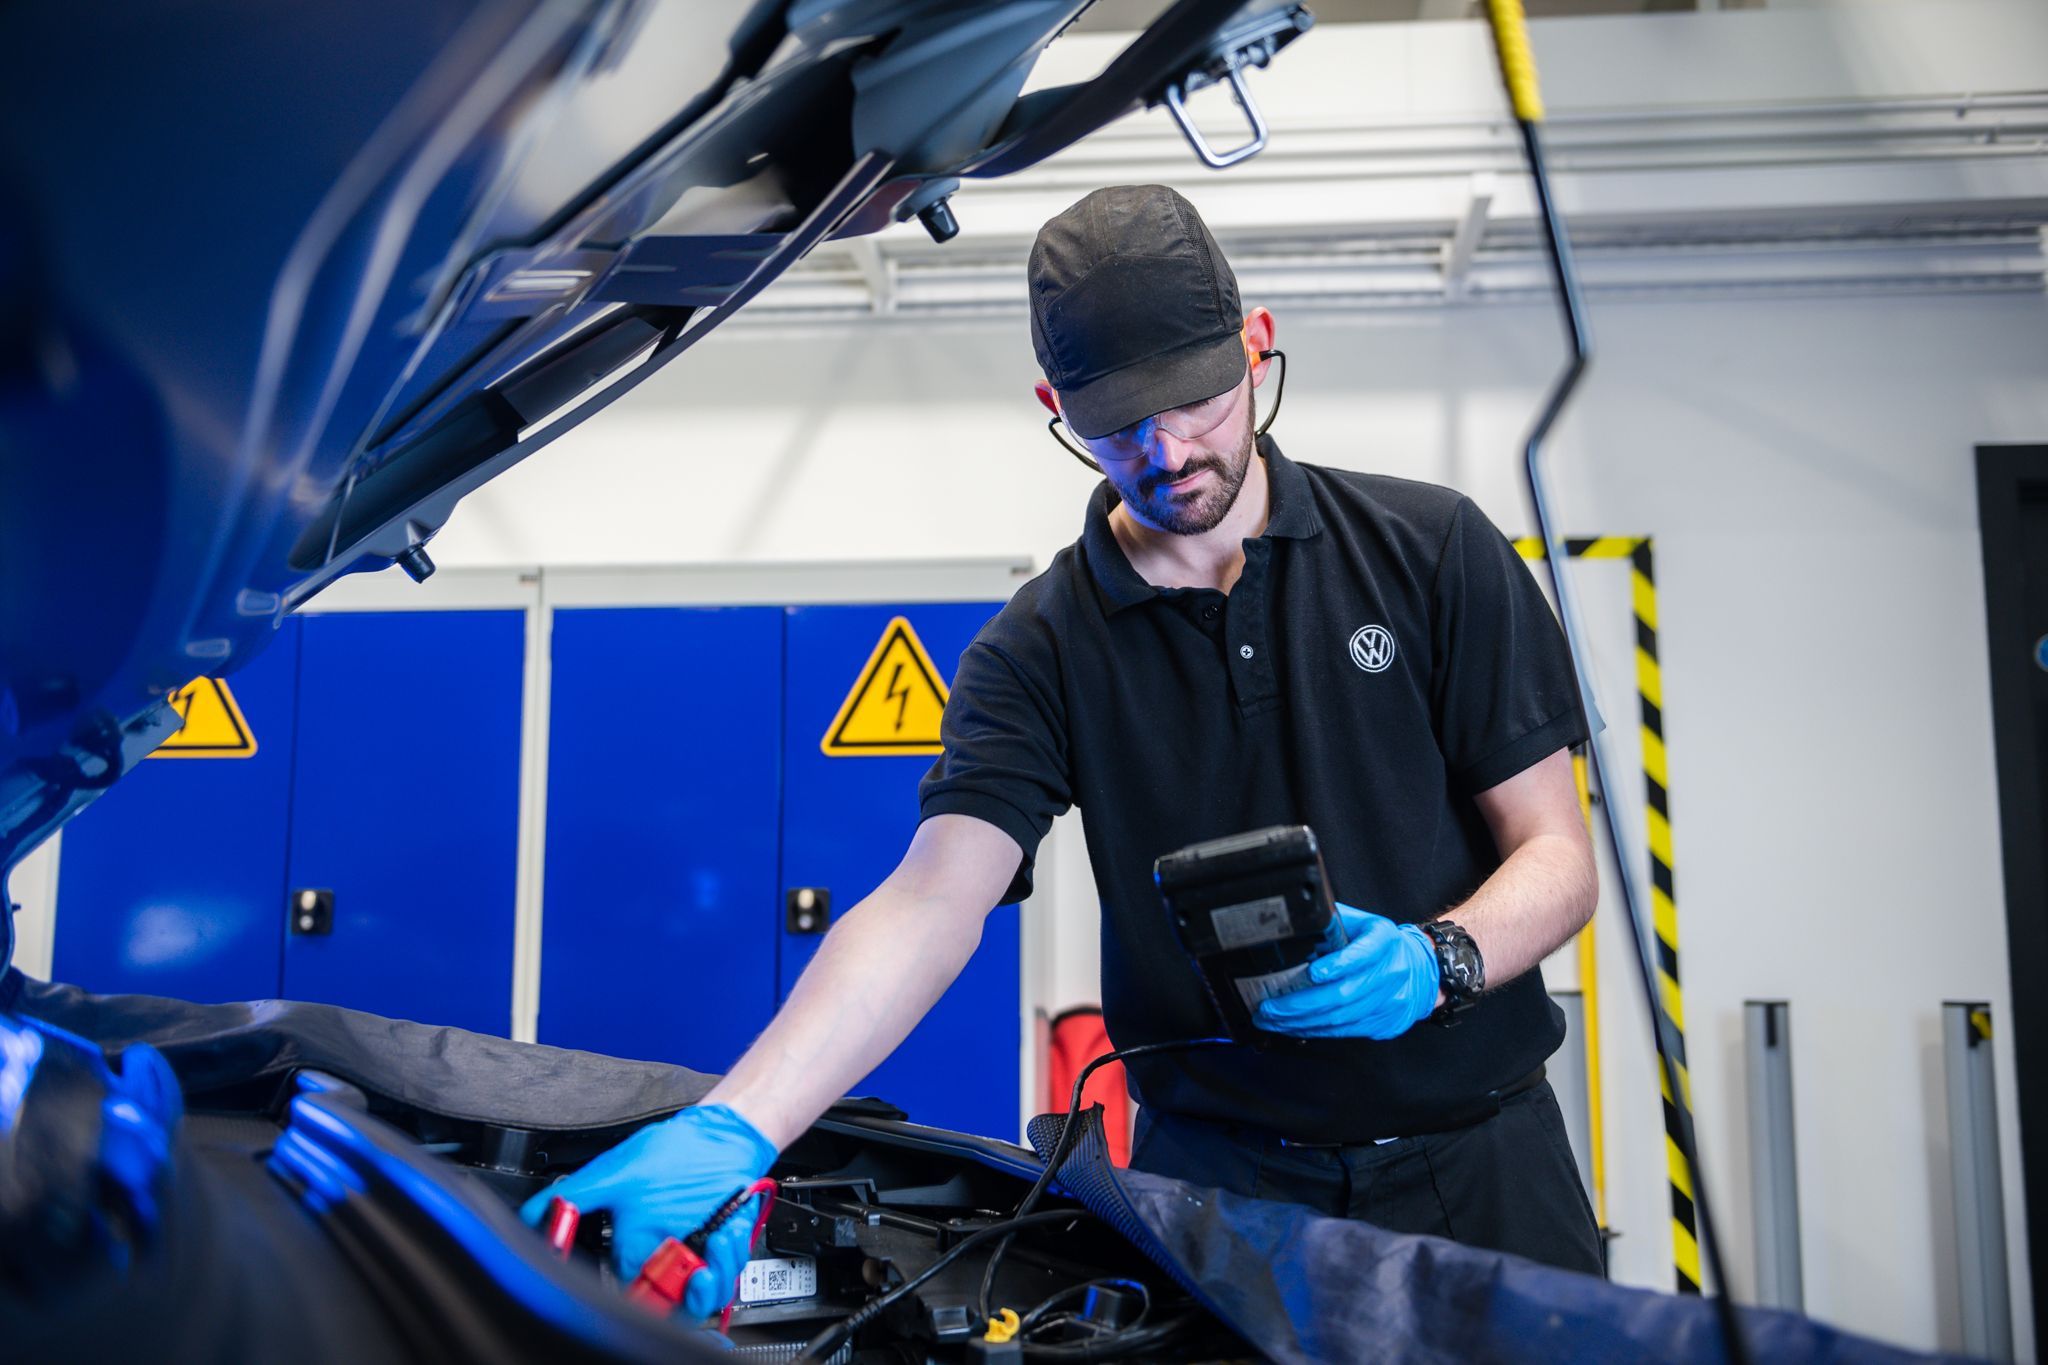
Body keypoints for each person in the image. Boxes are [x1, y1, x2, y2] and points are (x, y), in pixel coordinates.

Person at [523, 184, 1605, 1314]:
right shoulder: (1037, 647)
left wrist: (1437, 960)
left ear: (1255, 348)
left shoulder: (1430, 553)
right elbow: (931, 903)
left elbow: (1555, 854)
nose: (1165, 449)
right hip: (1224, 1192)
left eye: (1193, 400)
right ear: (1053, 403)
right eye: (1115, 421)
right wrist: (737, 1121)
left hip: (1481, 1164)